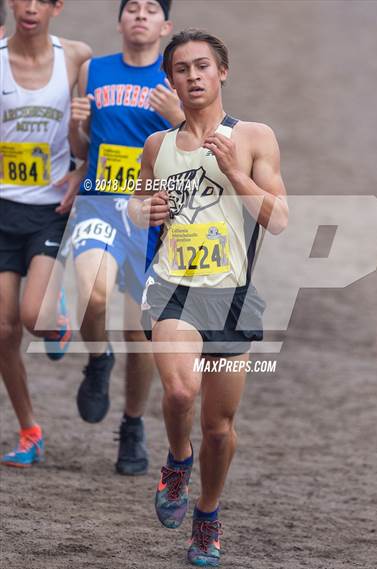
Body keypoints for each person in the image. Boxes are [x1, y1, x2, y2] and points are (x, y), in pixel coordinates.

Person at [128, 29, 288, 567]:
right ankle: (177, 460)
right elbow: (138, 203)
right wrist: (143, 211)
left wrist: (237, 174)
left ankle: (208, 513)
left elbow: (280, 218)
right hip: (172, 287)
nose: (192, 76)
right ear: (169, 79)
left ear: (223, 73)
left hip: (231, 295)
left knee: (219, 428)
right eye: (181, 69)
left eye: (202, 67)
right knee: (179, 392)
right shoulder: (158, 146)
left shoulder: (255, 136)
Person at [69, 0, 183, 475]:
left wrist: (179, 115)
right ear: (119, 21)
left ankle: (132, 424)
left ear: (165, 25)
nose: (140, 15)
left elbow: (198, 147)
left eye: (150, 9)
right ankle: (98, 358)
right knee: (93, 296)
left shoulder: (176, 75)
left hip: (151, 215)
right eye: (131, 8)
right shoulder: (93, 70)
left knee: (141, 333)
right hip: (99, 201)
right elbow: (79, 149)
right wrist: (78, 126)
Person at [0, 0, 91, 468]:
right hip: (2, 209)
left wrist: (82, 170)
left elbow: (91, 132)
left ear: (57, 7)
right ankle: (30, 430)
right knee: (2, 330)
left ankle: (56, 311)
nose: (30, 8)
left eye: (42, 0)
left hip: (48, 209)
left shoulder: (76, 56)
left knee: (34, 317)